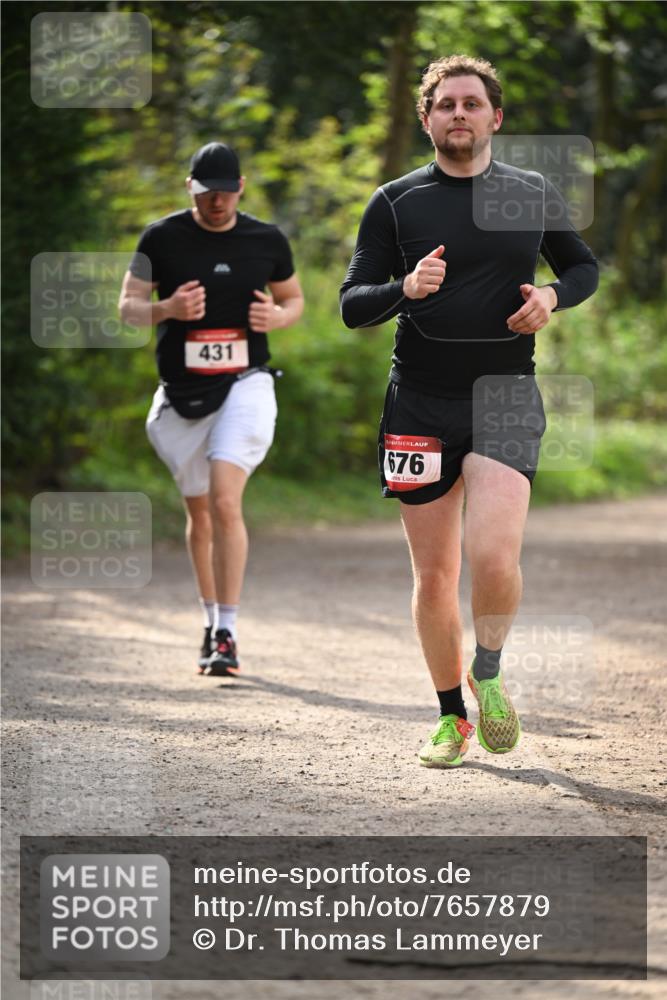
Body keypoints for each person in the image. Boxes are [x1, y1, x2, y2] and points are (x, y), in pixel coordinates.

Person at [340, 56, 598, 767]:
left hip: (506, 395)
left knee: (491, 555)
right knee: (431, 576)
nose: (458, 113)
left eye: (471, 103)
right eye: (445, 104)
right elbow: (350, 305)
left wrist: (549, 297)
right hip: (418, 400)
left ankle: (487, 668)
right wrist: (405, 289)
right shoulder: (394, 202)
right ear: (426, 119)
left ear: (494, 117)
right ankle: (450, 716)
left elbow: (582, 267)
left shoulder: (529, 192)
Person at [119, 142, 304, 676]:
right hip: (182, 392)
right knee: (199, 513)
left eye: (225, 193)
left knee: (225, 502)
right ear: (190, 189)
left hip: (247, 382)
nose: (216, 203)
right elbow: (127, 308)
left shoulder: (266, 239)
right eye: (206, 194)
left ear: (240, 188)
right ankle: (209, 620)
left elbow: (294, 301)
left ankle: (228, 632)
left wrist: (278, 317)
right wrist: (167, 308)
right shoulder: (161, 237)